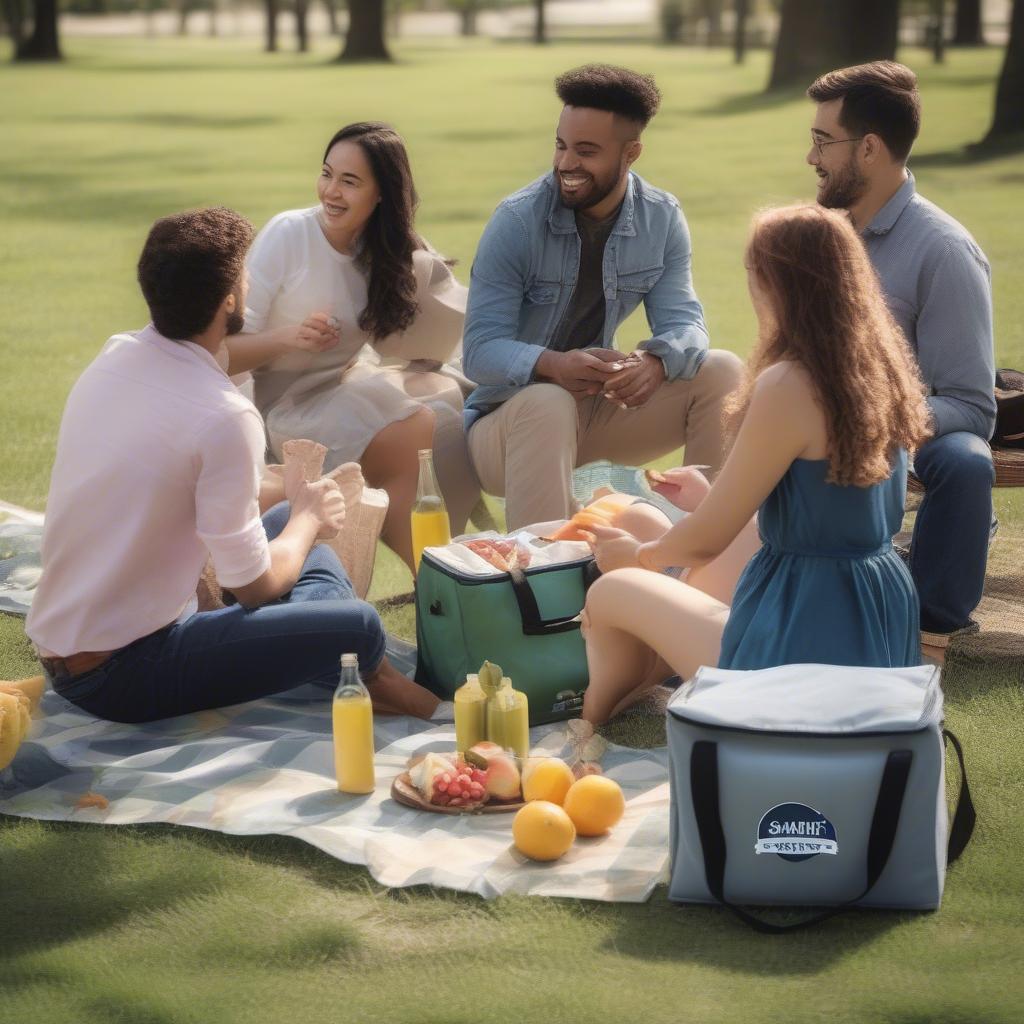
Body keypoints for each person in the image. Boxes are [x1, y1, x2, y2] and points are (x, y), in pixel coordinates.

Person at [23, 207, 440, 723]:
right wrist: (310, 515)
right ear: (228, 299)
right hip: (121, 674)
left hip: (66, 651)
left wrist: (296, 518)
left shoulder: (117, 356)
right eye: (243, 272)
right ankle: (377, 681)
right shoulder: (225, 416)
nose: (249, 279)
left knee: (287, 528)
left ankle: (327, 656)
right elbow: (252, 587)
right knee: (357, 623)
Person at [578, 205, 930, 725]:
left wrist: (640, 557)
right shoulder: (877, 367)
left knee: (611, 588)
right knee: (650, 531)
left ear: (775, 283)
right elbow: (831, 505)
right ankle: (641, 685)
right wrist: (709, 498)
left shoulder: (789, 383)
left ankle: (587, 726)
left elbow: (703, 542)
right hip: (870, 615)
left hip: (799, 643)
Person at [462, 64, 743, 530]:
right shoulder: (515, 221)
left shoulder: (662, 218)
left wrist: (655, 362)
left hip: (592, 413)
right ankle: (542, 585)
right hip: (504, 427)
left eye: (586, 151)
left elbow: (687, 324)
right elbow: (479, 352)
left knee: (722, 370)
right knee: (548, 402)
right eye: (561, 145)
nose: (566, 164)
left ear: (631, 153)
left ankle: (706, 548)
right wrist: (554, 364)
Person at [228, 123, 479, 573]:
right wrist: (292, 337)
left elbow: (449, 307)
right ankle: (436, 575)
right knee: (414, 427)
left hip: (341, 385)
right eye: (327, 174)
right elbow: (226, 350)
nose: (331, 191)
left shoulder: (386, 249)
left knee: (441, 415)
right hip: (279, 405)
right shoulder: (290, 234)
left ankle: (441, 566)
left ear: (381, 193)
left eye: (350, 181)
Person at [805, 61, 997, 653]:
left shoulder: (943, 250)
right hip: (809, 422)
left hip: (903, 428)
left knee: (966, 461)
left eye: (821, 142)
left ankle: (930, 612)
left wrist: (875, 413)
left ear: (868, 149)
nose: (811, 158)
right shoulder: (816, 234)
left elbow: (970, 406)